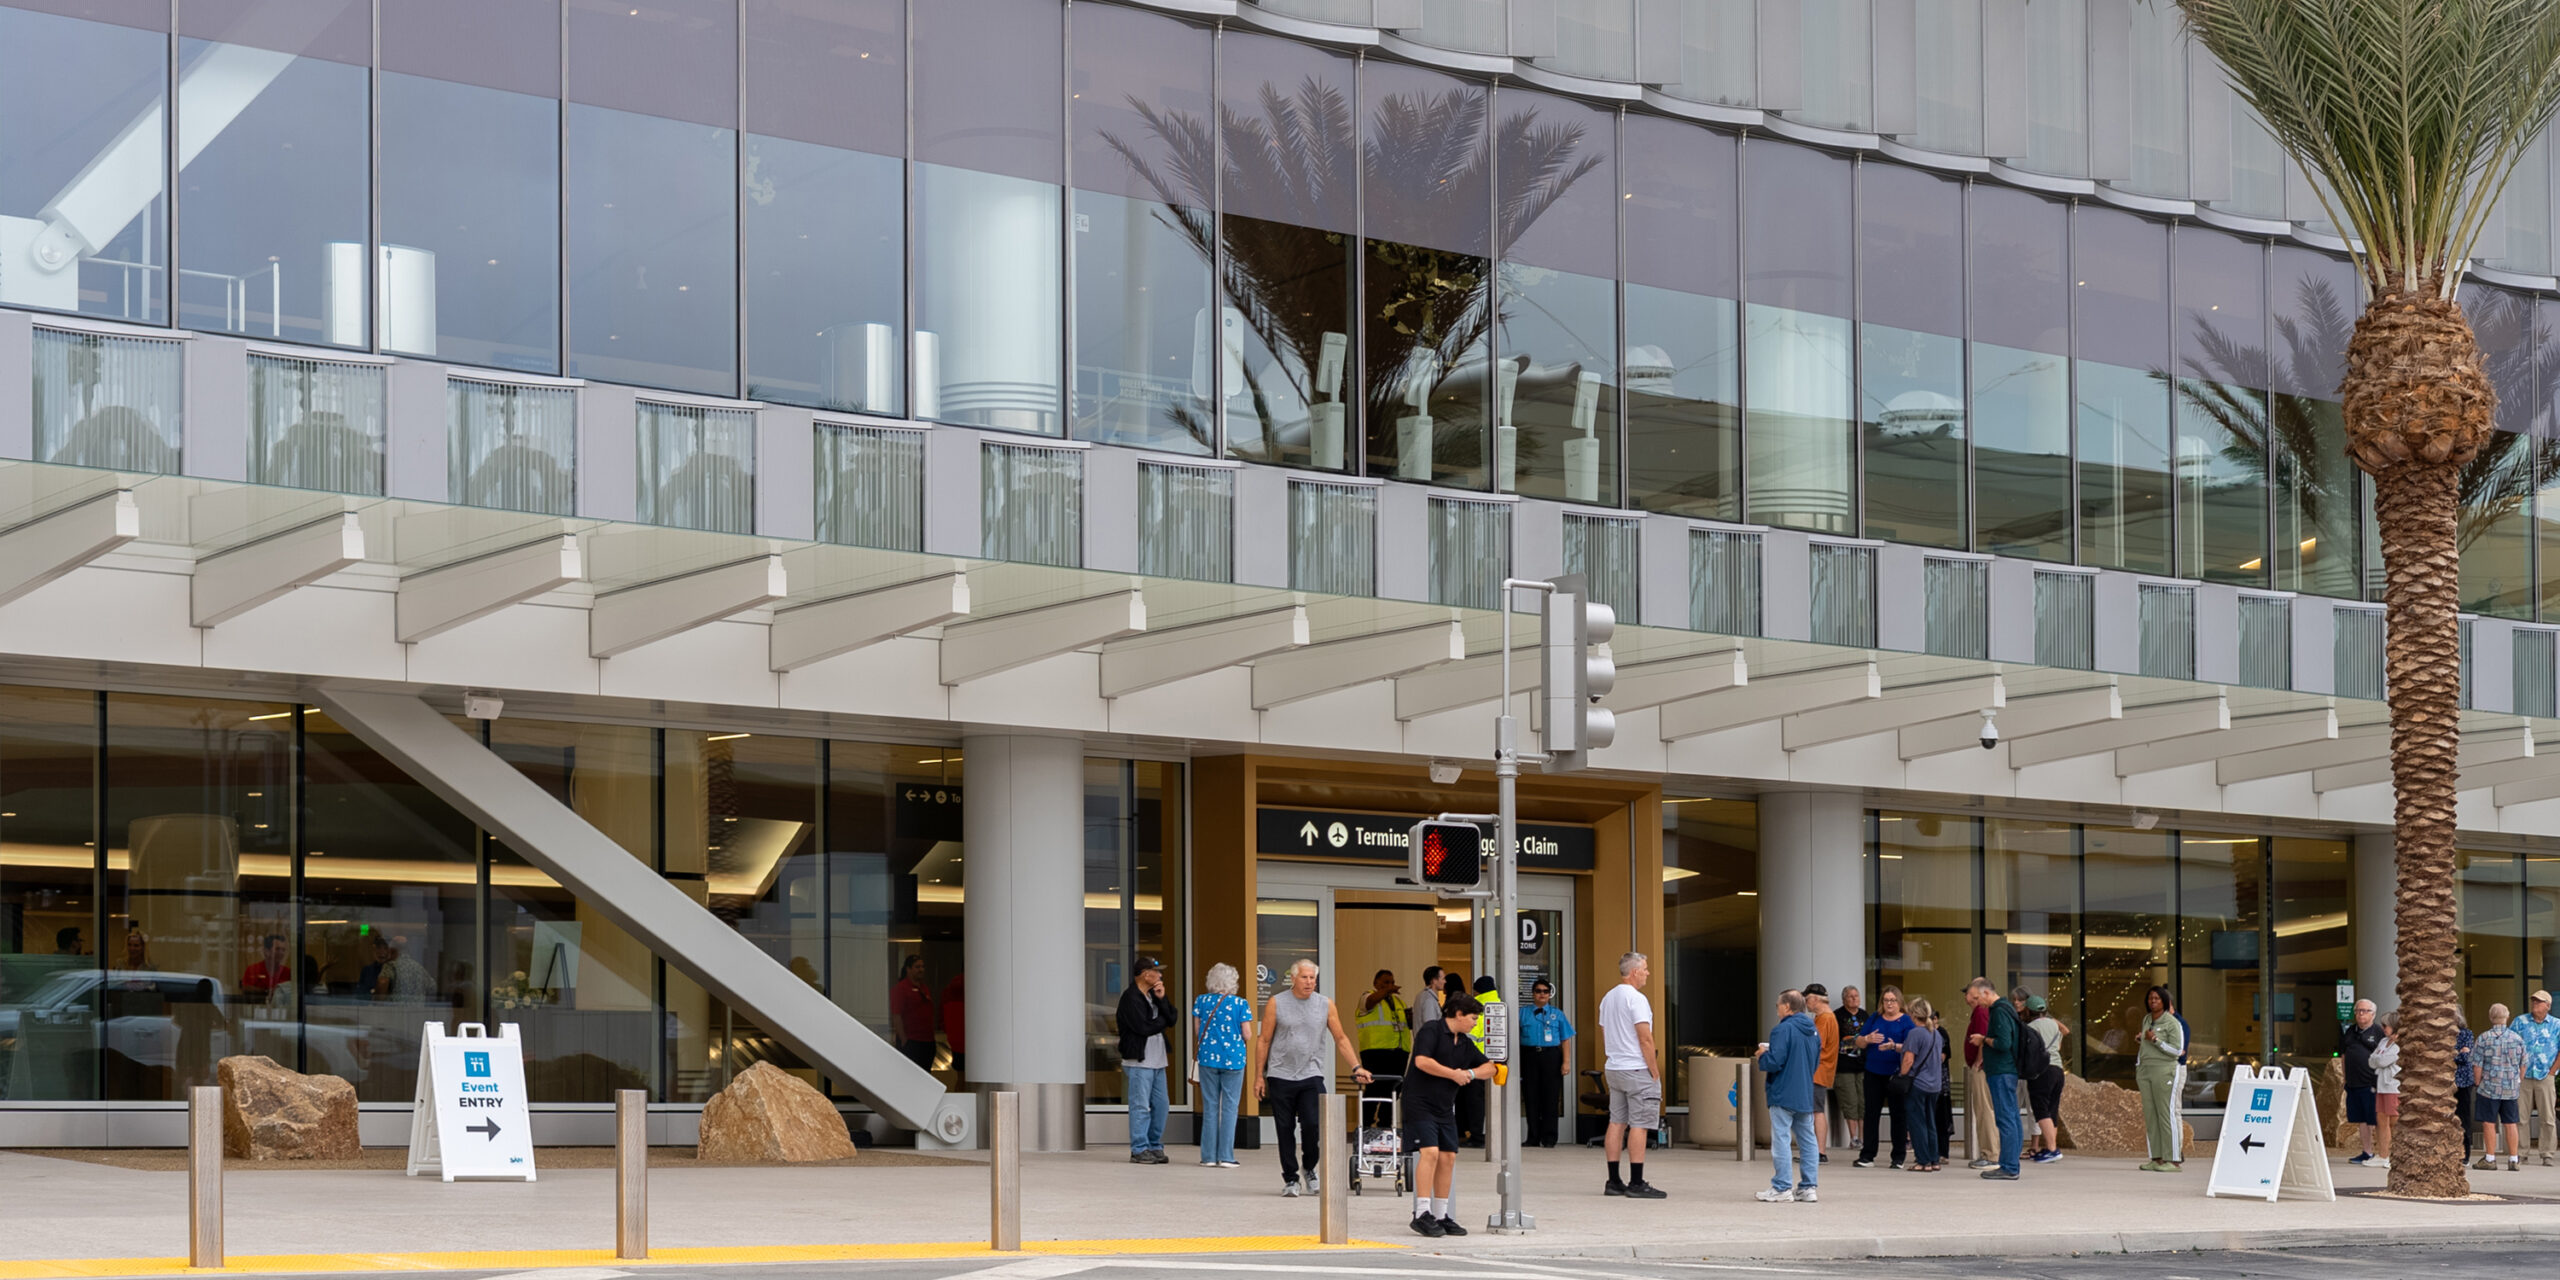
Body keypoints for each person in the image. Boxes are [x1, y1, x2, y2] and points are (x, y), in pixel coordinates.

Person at [1253, 959, 1373, 1197]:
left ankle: (1309, 1168)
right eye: (1305, 977)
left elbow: (1340, 1038)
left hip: (1311, 1074)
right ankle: (1291, 1179)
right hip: (1280, 1075)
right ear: (1293, 979)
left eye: (1313, 978)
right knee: (1284, 1128)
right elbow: (1264, 1040)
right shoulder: (1277, 1002)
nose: (1309, 982)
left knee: (1312, 1124)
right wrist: (1259, 1076)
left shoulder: (1325, 1004)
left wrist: (1357, 1066)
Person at [1404, 991, 1491, 1237]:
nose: (1475, 1023)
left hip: (1444, 1106)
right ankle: (1421, 1212)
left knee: (1448, 1157)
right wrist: (1454, 1073)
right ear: (1459, 1014)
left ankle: (1441, 1215)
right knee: (1429, 1152)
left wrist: (1471, 1074)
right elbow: (1422, 1061)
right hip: (1419, 1103)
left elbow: (1489, 1067)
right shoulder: (1432, 1030)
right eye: (1473, 1018)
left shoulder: (1464, 1041)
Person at [1599, 951, 1667, 1199]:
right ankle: (1637, 1182)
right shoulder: (1636, 999)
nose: (1648, 973)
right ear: (1635, 971)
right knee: (1640, 1124)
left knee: (1616, 1122)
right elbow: (1645, 1038)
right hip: (1636, 1067)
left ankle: (1613, 1180)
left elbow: (1606, 1032)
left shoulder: (1608, 998)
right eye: (1646, 969)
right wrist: (1654, 1070)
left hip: (1614, 1066)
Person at [1753, 989, 1822, 1203]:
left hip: (1783, 1091)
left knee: (1781, 1139)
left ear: (1787, 1007)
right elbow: (1815, 1062)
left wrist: (1763, 1054)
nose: (1777, 1009)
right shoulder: (1813, 1031)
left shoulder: (1782, 1030)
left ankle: (1782, 1187)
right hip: (1804, 1092)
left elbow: (1775, 1061)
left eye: (1778, 1006)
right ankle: (1808, 1187)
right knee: (1808, 1140)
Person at [1116, 956, 1179, 1165]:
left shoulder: (1153, 995)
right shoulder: (1130, 998)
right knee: (1140, 1105)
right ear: (1145, 974)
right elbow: (1143, 1027)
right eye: (1157, 972)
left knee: (1161, 1105)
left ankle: (1154, 1145)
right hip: (1139, 1062)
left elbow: (1173, 1017)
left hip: (1158, 1061)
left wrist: (1162, 999)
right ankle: (1139, 1148)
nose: (1160, 975)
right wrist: (1161, 1021)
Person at [1190, 962, 1254, 1169]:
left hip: (1208, 1058)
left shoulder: (1201, 1001)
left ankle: (1208, 1156)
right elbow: (1247, 1034)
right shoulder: (1240, 1004)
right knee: (1229, 1107)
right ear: (1232, 982)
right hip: (1233, 1060)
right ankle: (1226, 1156)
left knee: (1210, 1106)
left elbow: (1197, 1030)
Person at [1968, 977, 2025, 1180]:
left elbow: (2003, 1043)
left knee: (2005, 1118)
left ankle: (2009, 1166)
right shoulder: (2006, 1009)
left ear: (1986, 993)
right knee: (2012, 1117)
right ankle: (2011, 1162)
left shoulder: (1999, 1011)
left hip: (2001, 1071)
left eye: (1976, 998)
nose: (1976, 1003)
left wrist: (1983, 1039)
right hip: (2006, 1070)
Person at [1855, 986, 1913, 1169]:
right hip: (1873, 1071)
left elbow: (1912, 1046)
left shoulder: (1906, 1021)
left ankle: (1898, 1157)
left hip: (1896, 1074)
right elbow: (1858, 1041)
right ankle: (1867, 1155)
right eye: (1886, 1000)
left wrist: (1893, 1046)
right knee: (1871, 1113)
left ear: (1899, 1002)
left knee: (1898, 1115)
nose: (1889, 1004)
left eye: (1893, 1000)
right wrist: (1867, 1039)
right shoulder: (1874, 1018)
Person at [2135, 984, 2186, 1172]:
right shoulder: (2147, 1019)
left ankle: (2172, 1160)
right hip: (2145, 1070)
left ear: (2164, 1001)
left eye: (2157, 998)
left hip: (2165, 1070)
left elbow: (2177, 1051)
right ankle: (2156, 1157)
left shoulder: (2173, 1023)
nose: (2153, 1001)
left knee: (2166, 1113)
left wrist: (2156, 1041)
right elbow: (2145, 1043)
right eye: (2150, 998)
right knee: (2151, 1114)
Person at [1519, 978, 1574, 1148]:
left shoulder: (1557, 1014)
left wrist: (1566, 1062)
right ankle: (1533, 1136)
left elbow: (1565, 1039)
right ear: (1533, 994)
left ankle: (1549, 1137)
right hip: (1529, 1055)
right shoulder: (1523, 1013)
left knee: (1550, 1097)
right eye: (1538, 991)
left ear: (1550, 994)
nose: (1542, 994)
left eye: (1545, 991)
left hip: (1551, 1056)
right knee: (1531, 1096)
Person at [1355, 969, 1412, 1127]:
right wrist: (1387, 991)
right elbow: (1370, 1002)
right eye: (1386, 982)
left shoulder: (1399, 1002)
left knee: (1394, 1089)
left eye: (1392, 982)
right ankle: (1366, 1125)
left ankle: (1385, 1125)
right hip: (1376, 1052)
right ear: (1376, 983)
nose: (1390, 986)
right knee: (1375, 1088)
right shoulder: (1367, 996)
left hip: (1398, 1052)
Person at [2476, 1002, 2527, 1171]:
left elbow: (2477, 1065)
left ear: (2491, 1017)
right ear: (2507, 1016)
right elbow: (2523, 1064)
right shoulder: (2517, 1038)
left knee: (2489, 1122)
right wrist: (2517, 1080)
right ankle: (2513, 1159)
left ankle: (2490, 1158)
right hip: (2510, 1088)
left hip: (2489, 1087)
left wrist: (2478, 1082)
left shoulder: (2484, 1038)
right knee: (2510, 1122)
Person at [1899, 997, 1945, 1173]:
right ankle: (1934, 1159)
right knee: (1930, 1122)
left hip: (1918, 1083)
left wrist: (1902, 1075)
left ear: (1913, 1013)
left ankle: (1922, 1160)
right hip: (1934, 1084)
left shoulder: (1915, 1033)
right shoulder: (1936, 1034)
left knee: (1917, 1123)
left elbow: (1909, 1059)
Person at [2517, 990, 2560, 1165]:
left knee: (2547, 1117)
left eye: (2539, 1002)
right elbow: (2512, 1045)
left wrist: (2552, 1071)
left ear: (2548, 1006)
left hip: (2545, 1075)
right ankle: (2521, 1152)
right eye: (2533, 1001)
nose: (2535, 1004)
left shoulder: (2557, 1025)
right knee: (2521, 1116)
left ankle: (2547, 1153)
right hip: (2524, 1075)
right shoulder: (2520, 1022)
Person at [2024, 994, 2068, 1163]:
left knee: (2040, 1109)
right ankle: (2052, 1147)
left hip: (2042, 1070)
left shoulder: (2031, 1027)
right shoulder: (2054, 1025)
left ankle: (2052, 1149)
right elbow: (2058, 1045)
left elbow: (2030, 1050)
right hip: (2058, 1069)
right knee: (2052, 1109)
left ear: (2029, 1010)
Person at [2339, 998, 2384, 1164]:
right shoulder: (2350, 1031)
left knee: (2376, 1118)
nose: (2360, 1014)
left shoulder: (2378, 1032)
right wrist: (2345, 1077)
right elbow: (2344, 1054)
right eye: (2357, 1011)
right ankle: (2367, 1152)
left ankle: (2383, 1152)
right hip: (2353, 1083)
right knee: (2362, 1119)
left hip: (2371, 1084)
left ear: (2373, 1014)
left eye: (2364, 1011)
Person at [1460, 974, 1498, 1146]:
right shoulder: (1500, 1005)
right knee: (1492, 1101)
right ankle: (1493, 1135)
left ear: (1477, 990)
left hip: (1476, 1061)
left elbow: (1469, 1038)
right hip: (1495, 1061)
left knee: (1475, 1101)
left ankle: (1477, 1136)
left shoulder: (1476, 1008)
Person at [1804, 983, 1839, 1158]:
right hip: (1822, 1070)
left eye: (1807, 998)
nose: (1806, 1003)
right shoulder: (1827, 1017)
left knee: (1816, 1110)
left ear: (1816, 999)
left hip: (1818, 1070)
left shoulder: (1824, 1018)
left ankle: (1819, 1151)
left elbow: (1816, 1046)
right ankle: (1817, 1151)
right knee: (1816, 1109)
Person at [1962, 985, 1995, 1167]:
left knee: (1984, 1111)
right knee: (1983, 1110)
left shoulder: (1981, 1012)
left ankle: (1990, 1154)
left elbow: (1983, 1037)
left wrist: (1978, 1062)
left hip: (1982, 1068)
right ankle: (1989, 1152)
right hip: (1982, 1066)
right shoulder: (1979, 1012)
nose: (1965, 997)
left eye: (1967, 993)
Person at [1835, 985, 1869, 1152]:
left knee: (1863, 1101)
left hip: (1863, 1065)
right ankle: (1853, 1138)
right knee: (1850, 1101)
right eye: (1850, 996)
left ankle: (1863, 1138)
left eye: (1856, 995)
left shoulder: (1865, 1015)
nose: (1854, 998)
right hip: (1844, 1065)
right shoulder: (1837, 1016)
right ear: (1844, 999)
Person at [891, 955, 937, 1069]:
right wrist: (903, 1040)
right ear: (908, 969)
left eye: (922, 966)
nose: (921, 969)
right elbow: (896, 1015)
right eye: (917, 967)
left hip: (927, 1041)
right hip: (912, 1041)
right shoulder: (901, 988)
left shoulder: (924, 988)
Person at [2369, 1010, 2401, 1171]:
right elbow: (2372, 1060)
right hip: (2381, 1085)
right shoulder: (2383, 1042)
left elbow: (2382, 1060)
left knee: (2393, 1120)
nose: (2383, 1028)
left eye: (2386, 1025)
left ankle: (2394, 1155)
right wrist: (2378, 1059)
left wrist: (2378, 1059)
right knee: (2381, 1120)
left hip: (2393, 1086)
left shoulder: (2400, 1045)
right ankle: (2383, 1154)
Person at [374, 936, 431, 1000]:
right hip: (417, 1009)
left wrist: (377, 1003)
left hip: (395, 1009)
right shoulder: (418, 967)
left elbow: (382, 982)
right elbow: (432, 987)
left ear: (392, 951)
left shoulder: (390, 966)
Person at [240, 933, 291, 1002]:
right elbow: (246, 988)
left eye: (283, 950)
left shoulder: (287, 972)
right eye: (277, 949)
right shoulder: (253, 969)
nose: (281, 953)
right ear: (267, 951)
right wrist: (267, 991)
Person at [2458, 1008, 2478, 1161]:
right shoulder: (2442, 1035)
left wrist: (2455, 1054)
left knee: (2463, 1117)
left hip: (2463, 1081)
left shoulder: (2466, 1033)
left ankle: (2465, 1153)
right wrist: (2458, 1052)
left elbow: (2466, 1057)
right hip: (2445, 1082)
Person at [941, 972, 967, 1077]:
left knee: (960, 1077)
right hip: (968, 1041)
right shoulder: (973, 989)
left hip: (955, 1040)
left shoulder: (948, 992)